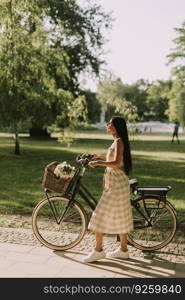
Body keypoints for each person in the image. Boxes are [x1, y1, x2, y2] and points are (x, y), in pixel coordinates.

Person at [82, 116, 133, 263]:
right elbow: (117, 159)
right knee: (121, 215)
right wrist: (100, 157)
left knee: (99, 215)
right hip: (118, 183)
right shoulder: (117, 140)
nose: (107, 125)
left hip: (116, 185)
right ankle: (123, 250)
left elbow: (116, 163)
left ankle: (98, 251)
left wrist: (99, 163)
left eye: (110, 123)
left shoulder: (118, 141)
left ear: (116, 127)